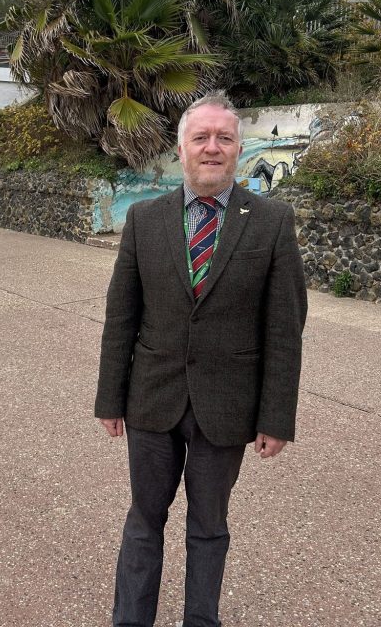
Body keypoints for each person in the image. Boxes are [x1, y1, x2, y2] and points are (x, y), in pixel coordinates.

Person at [95, 92, 308, 627]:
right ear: (182, 148)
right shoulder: (144, 219)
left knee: (209, 527)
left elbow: (284, 330)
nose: (212, 147)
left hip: (227, 406)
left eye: (224, 138)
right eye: (201, 137)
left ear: (237, 148)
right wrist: (110, 398)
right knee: (145, 519)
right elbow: (121, 316)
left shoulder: (271, 221)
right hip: (152, 399)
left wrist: (276, 416)